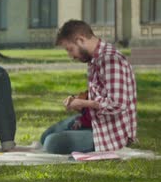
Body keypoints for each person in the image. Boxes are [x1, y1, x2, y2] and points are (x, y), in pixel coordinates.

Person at [40, 19, 137, 154]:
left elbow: (118, 104)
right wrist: (79, 101)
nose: (71, 56)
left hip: (110, 132)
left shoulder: (111, 60)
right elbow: (102, 93)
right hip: (94, 120)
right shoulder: (95, 59)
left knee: (51, 143)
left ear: (80, 40)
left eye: (70, 49)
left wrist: (84, 102)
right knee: (45, 137)